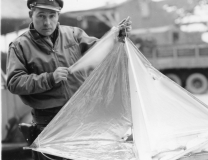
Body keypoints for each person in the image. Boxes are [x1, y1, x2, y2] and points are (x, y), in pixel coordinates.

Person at [6, 0, 131, 159]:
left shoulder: (74, 35)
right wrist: (50, 78)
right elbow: (14, 82)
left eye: (52, 16)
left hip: (81, 116)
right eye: (41, 16)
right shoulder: (19, 46)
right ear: (31, 15)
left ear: (58, 15)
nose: (47, 22)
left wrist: (116, 37)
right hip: (48, 122)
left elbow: (101, 50)